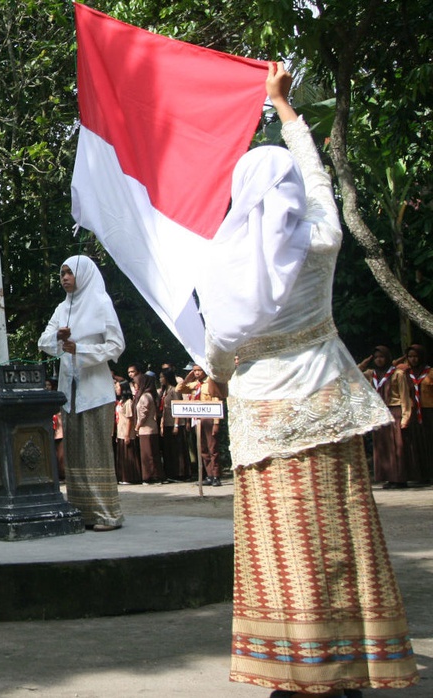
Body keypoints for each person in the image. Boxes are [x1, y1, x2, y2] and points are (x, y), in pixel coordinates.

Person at [198, 63, 417, 695]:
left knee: (278, 544)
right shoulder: (321, 240)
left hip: (261, 421)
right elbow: (317, 177)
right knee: (340, 534)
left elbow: (218, 348)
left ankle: (292, 670)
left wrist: (217, 379)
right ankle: (348, 667)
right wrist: (283, 106)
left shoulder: (222, 264)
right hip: (328, 407)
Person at [38, 255, 125, 532]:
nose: (64, 278)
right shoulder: (62, 308)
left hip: (96, 391)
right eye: (62, 273)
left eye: (69, 273)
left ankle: (107, 515)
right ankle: (81, 512)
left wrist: (82, 350)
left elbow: (116, 345)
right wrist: (58, 338)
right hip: (70, 393)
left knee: (96, 451)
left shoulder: (101, 303)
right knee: (74, 454)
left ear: (84, 274)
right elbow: (43, 341)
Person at [358, 346, 410, 488]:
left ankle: (399, 479)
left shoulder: (397, 373)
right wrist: (364, 363)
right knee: (383, 446)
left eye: (382, 357)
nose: (379, 360)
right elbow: (352, 373)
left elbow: (405, 396)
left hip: (394, 411)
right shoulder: (371, 374)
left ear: (387, 358)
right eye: (376, 358)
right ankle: (389, 477)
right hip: (379, 412)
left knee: (396, 446)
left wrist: (405, 416)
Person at [177, 364, 225, 486]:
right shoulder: (194, 384)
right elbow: (179, 389)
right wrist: (187, 378)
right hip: (198, 419)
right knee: (203, 448)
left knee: (213, 448)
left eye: (199, 370)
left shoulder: (210, 383)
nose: (197, 373)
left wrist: (216, 423)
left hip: (209, 419)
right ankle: (209, 475)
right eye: (194, 371)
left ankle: (216, 476)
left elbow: (216, 402)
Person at [398, 344, 432, 486]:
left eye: (416, 356)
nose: (413, 359)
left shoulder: (430, 372)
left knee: (429, 443)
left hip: (428, 412)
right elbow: (392, 366)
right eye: (410, 356)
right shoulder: (405, 373)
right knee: (416, 444)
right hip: (413, 412)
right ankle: (419, 475)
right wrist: (402, 360)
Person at [131, 371, 164, 484]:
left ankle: (151, 476)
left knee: (148, 454)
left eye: (137, 383)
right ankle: (155, 475)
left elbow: (143, 414)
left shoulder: (145, 396)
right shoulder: (149, 395)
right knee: (151, 453)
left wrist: (137, 426)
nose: (135, 385)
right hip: (150, 428)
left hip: (146, 429)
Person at [158, 369, 190, 481]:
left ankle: (181, 473)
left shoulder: (174, 390)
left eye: (162, 377)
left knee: (178, 449)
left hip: (176, 423)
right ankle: (171, 473)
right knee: (169, 449)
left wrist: (176, 425)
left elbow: (178, 407)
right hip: (167, 422)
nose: (160, 379)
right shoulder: (164, 391)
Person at [113, 380, 141, 484]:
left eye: (118, 387)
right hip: (120, 431)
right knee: (122, 456)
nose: (116, 389)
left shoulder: (129, 402)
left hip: (127, 432)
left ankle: (131, 477)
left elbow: (130, 419)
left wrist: (127, 434)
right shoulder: (121, 401)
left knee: (129, 455)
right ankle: (123, 477)